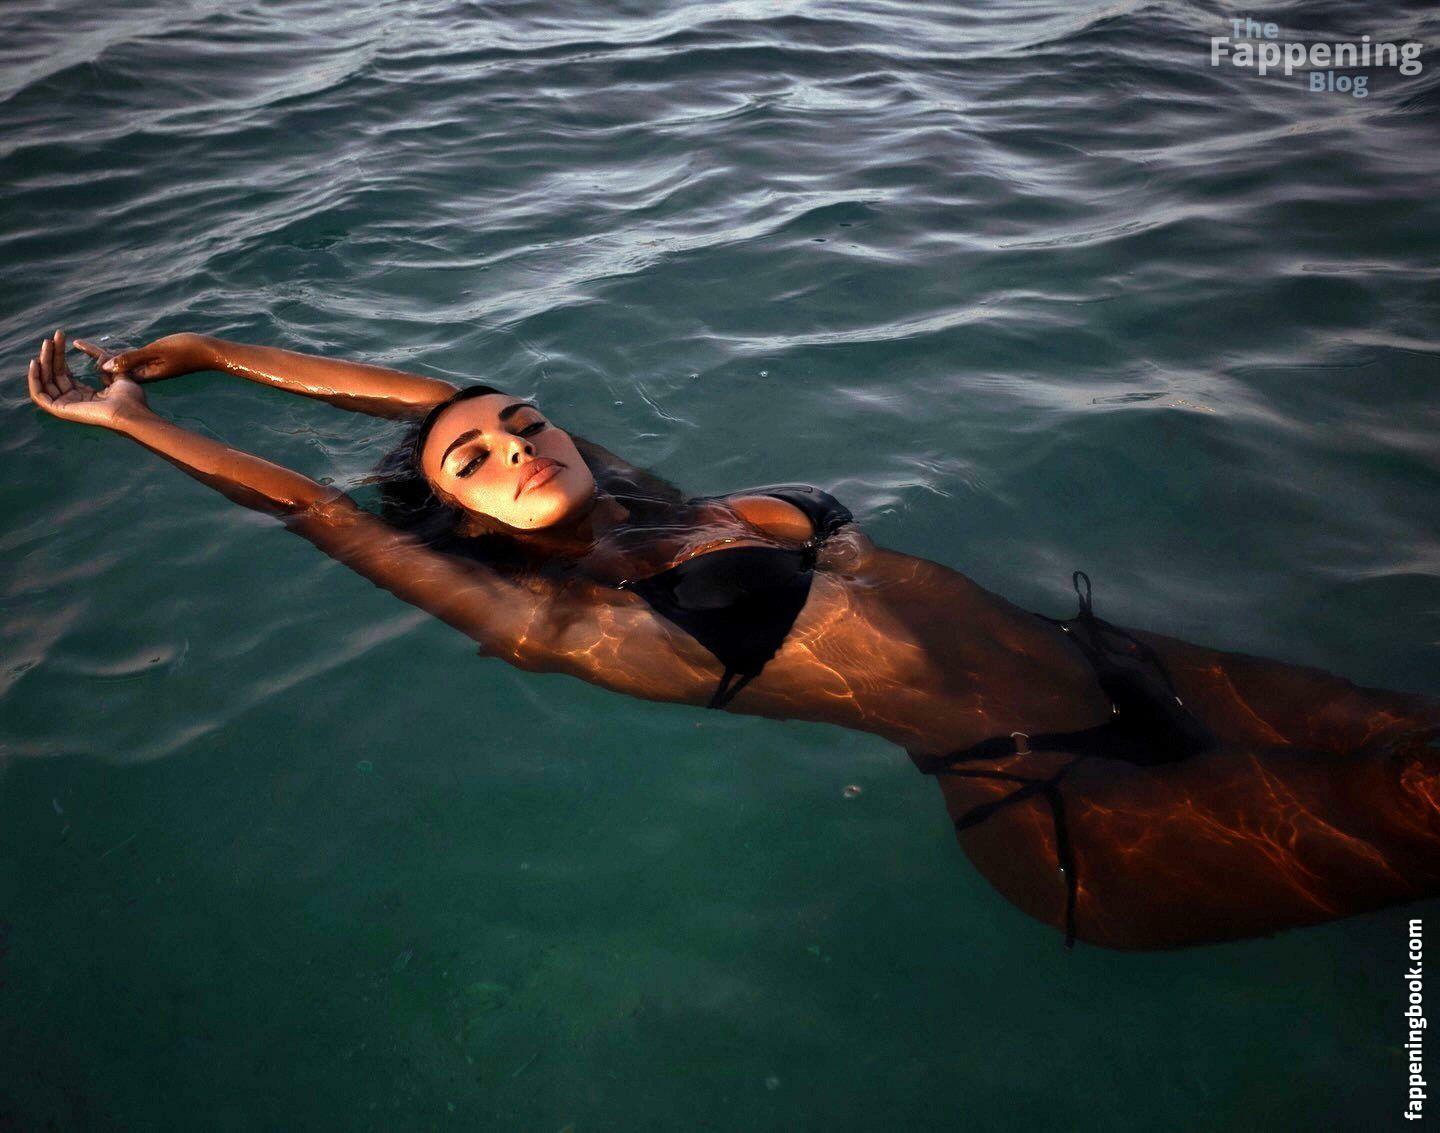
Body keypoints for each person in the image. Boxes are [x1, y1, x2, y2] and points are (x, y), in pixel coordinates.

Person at [25, 328, 1440, 950]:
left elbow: (436, 393)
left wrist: (215, 351)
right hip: (1063, 796)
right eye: (476, 461)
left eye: (523, 424)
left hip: (1130, 664)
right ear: (458, 520)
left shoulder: (663, 504)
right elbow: (323, 511)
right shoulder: (559, 617)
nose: (513, 443)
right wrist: (139, 419)